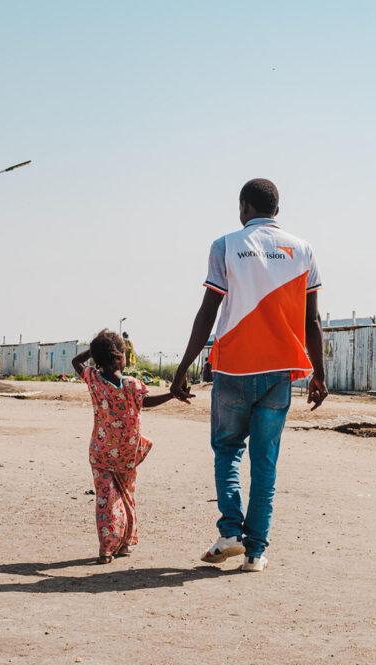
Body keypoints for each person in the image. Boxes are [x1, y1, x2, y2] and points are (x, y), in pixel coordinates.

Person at [171, 178, 327, 573]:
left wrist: (184, 365)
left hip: (233, 367)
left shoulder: (225, 245)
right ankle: (256, 553)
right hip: (280, 371)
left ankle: (230, 532)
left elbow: (208, 311)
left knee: (227, 451)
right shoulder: (303, 249)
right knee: (265, 463)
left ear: (244, 207)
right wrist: (319, 374)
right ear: (277, 208)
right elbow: (313, 321)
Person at [72, 329, 176, 564]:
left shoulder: (93, 378)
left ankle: (107, 548)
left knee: (105, 498)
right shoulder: (131, 384)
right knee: (127, 496)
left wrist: (97, 352)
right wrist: (172, 395)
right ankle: (125, 543)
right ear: (120, 357)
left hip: (100, 452)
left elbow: (75, 361)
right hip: (127, 453)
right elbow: (146, 402)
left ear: (98, 359)